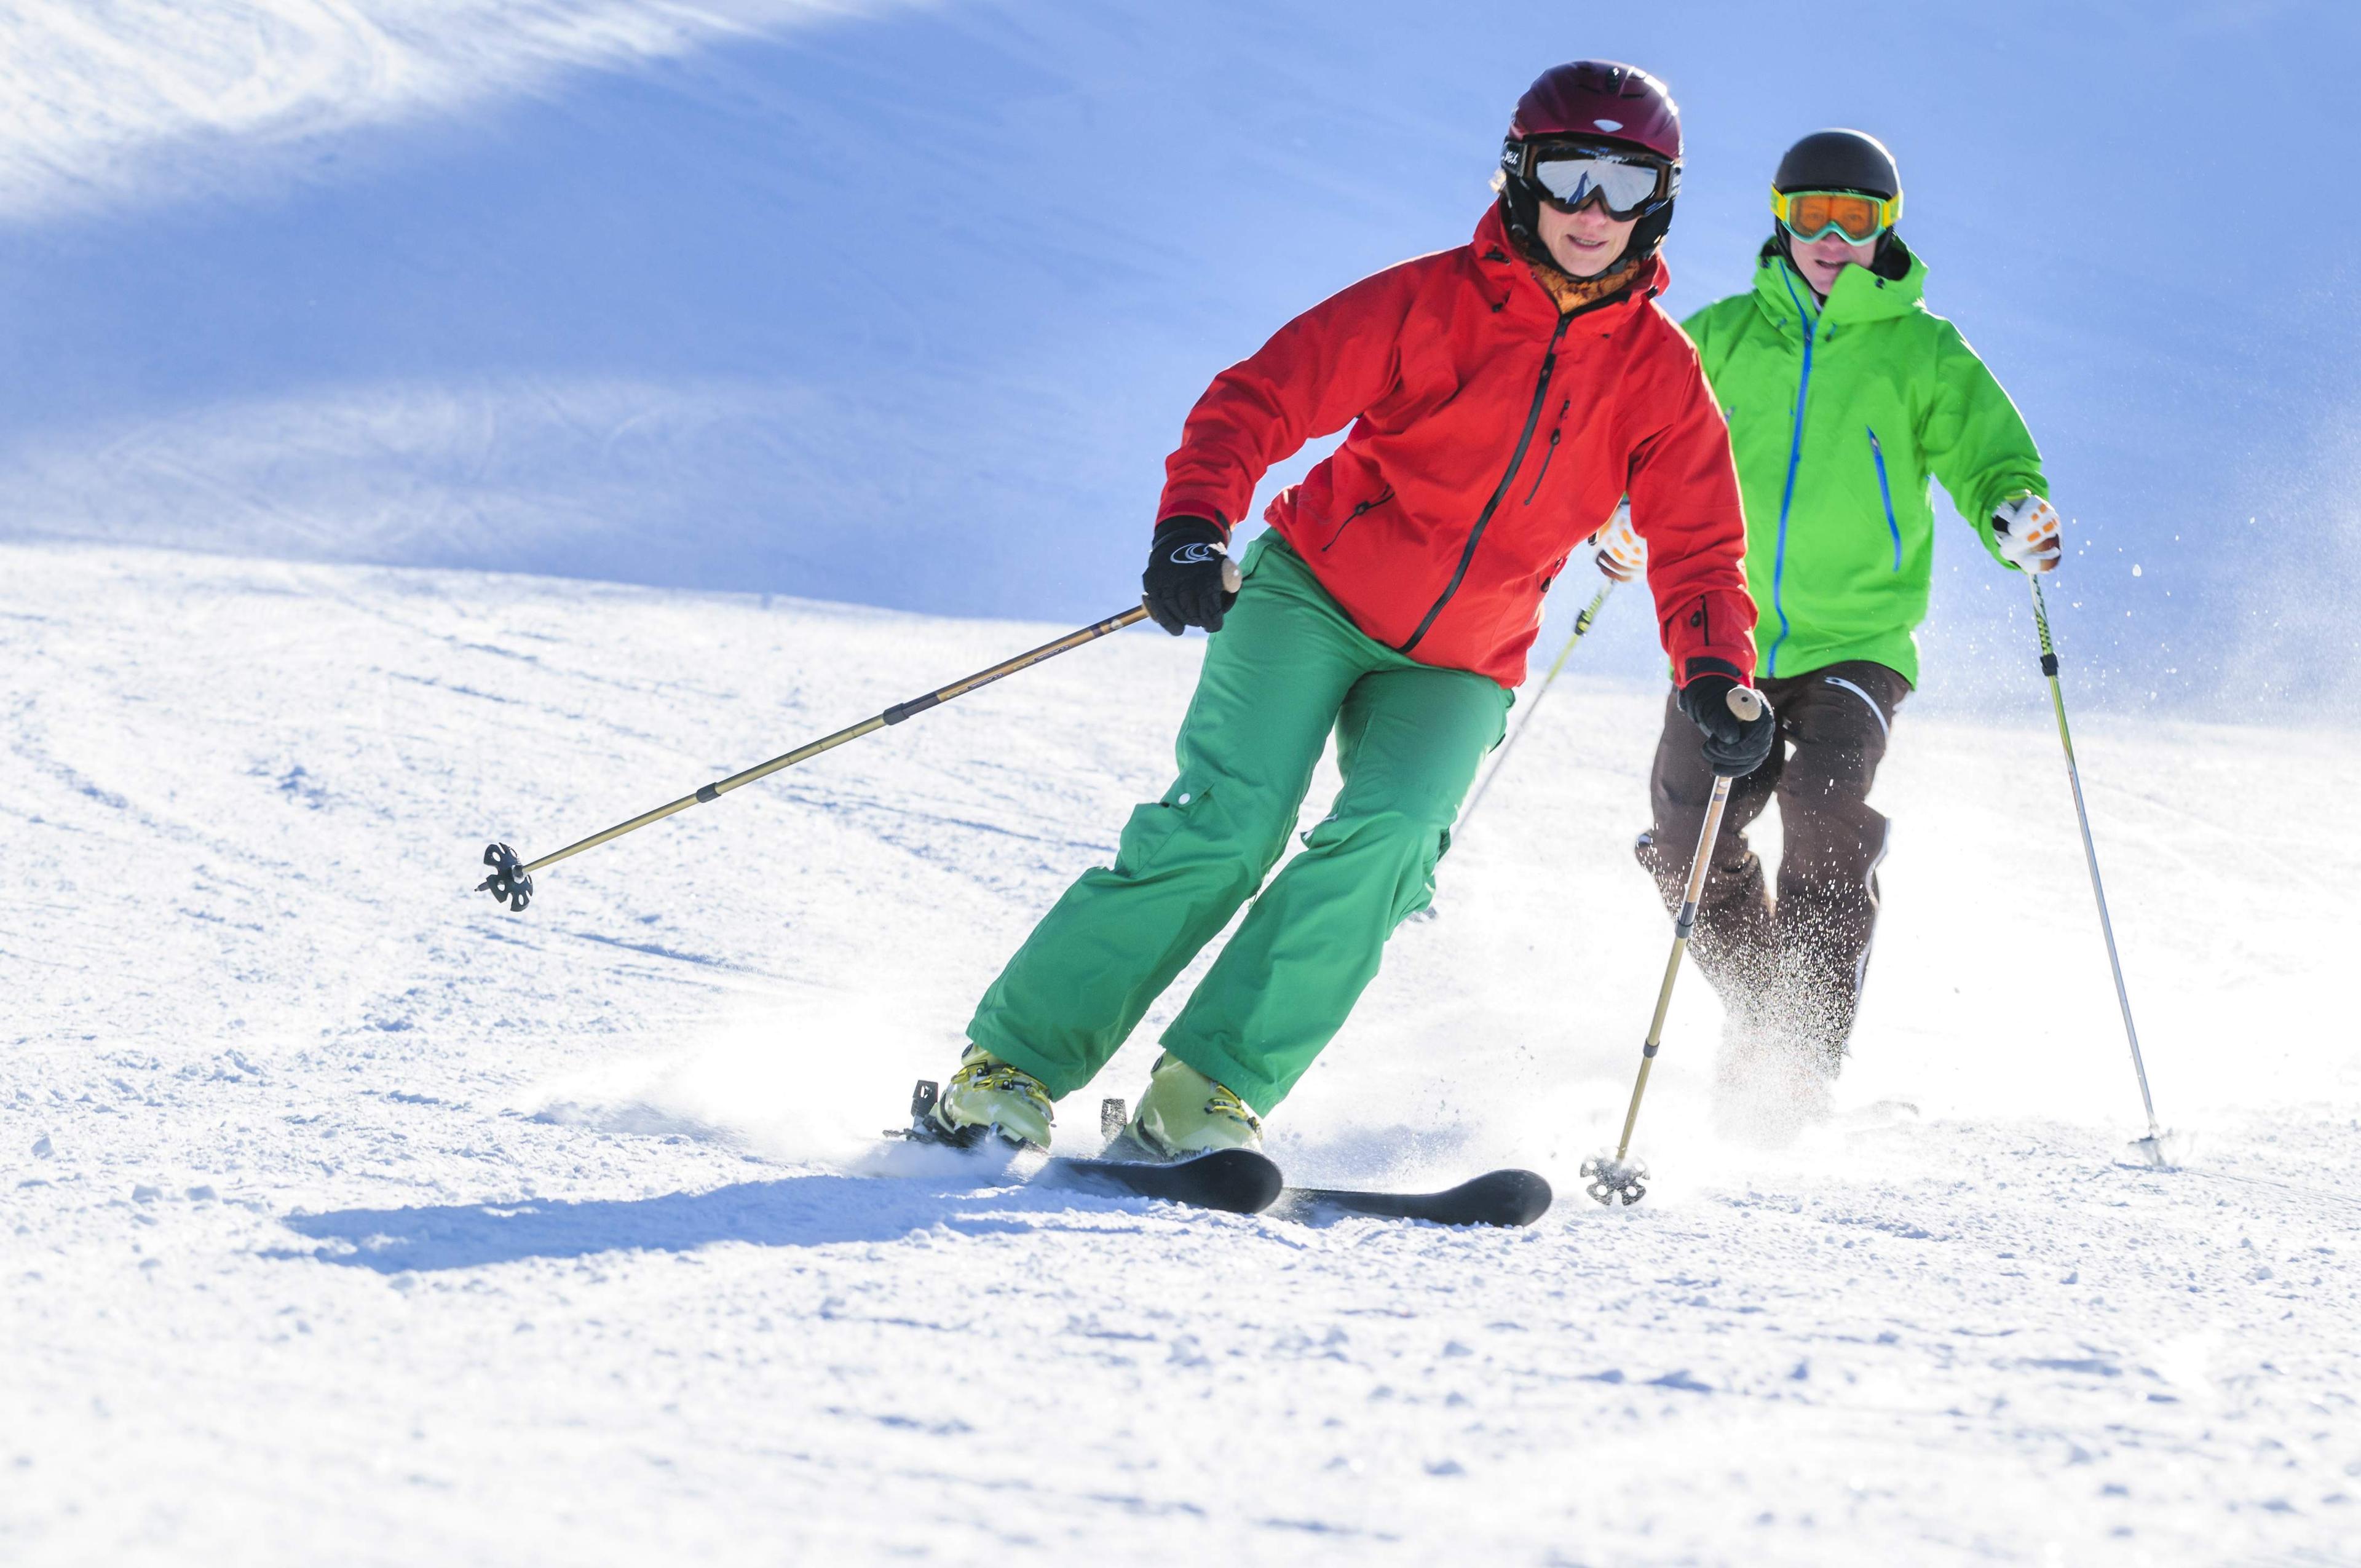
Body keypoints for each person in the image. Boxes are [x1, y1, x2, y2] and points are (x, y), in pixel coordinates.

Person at [922, 61, 1773, 1158]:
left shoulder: (1662, 377)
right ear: (1520, 173)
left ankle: (1206, 1088)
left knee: (1393, 840)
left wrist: (1714, 670)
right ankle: (1012, 1065)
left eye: (1625, 181)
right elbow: (1260, 397)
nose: (1591, 212)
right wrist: (1194, 525)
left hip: (1464, 659)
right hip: (1316, 592)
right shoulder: (1429, 301)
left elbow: (1701, 545)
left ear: (1661, 197)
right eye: (1568, 174)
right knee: (1229, 825)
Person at [1594, 128, 2057, 1126]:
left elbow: (1987, 454)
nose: (1833, 237)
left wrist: (2013, 509)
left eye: (1858, 219)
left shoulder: (1923, 349)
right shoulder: (1717, 336)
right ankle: (1770, 1016)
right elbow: (1636, 440)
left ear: (1886, 229)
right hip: (1727, 634)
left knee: (1825, 805)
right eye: (1813, 216)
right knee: (1687, 837)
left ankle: (1801, 1060)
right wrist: (1622, 514)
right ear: (1781, 218)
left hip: (1861, 640)